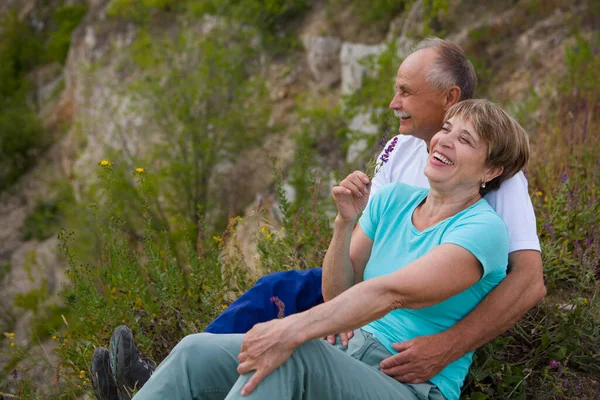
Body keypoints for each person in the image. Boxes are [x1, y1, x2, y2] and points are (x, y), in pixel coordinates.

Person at [90, 37, 546, 400]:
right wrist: (343, 223)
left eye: (463, 139)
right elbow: (349, 281)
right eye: (447, 130)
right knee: (195, 352)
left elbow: (397, 291)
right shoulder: (399, 181)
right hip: (350, 343)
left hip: (405, 378)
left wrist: (294, 328)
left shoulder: (489, 218)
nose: (395, 103)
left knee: (288, 353)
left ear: (491, 169)